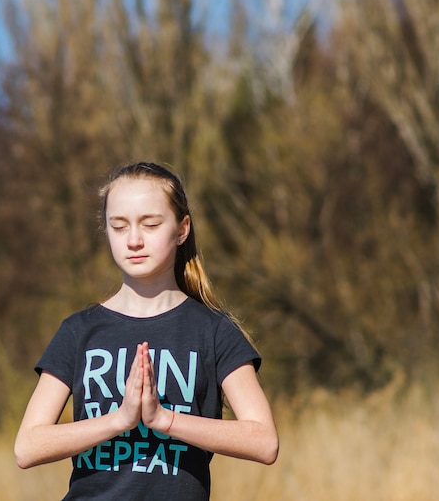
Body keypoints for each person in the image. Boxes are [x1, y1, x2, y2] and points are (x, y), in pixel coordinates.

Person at [14, 162, 278, 499]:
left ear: (182, 229)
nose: (134, 240)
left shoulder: (215, 332)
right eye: (119, 227)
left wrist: (163, 419)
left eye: (150, 224)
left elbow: (264, 441)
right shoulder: (79, 331)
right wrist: (120, 420)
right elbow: (27, 447)